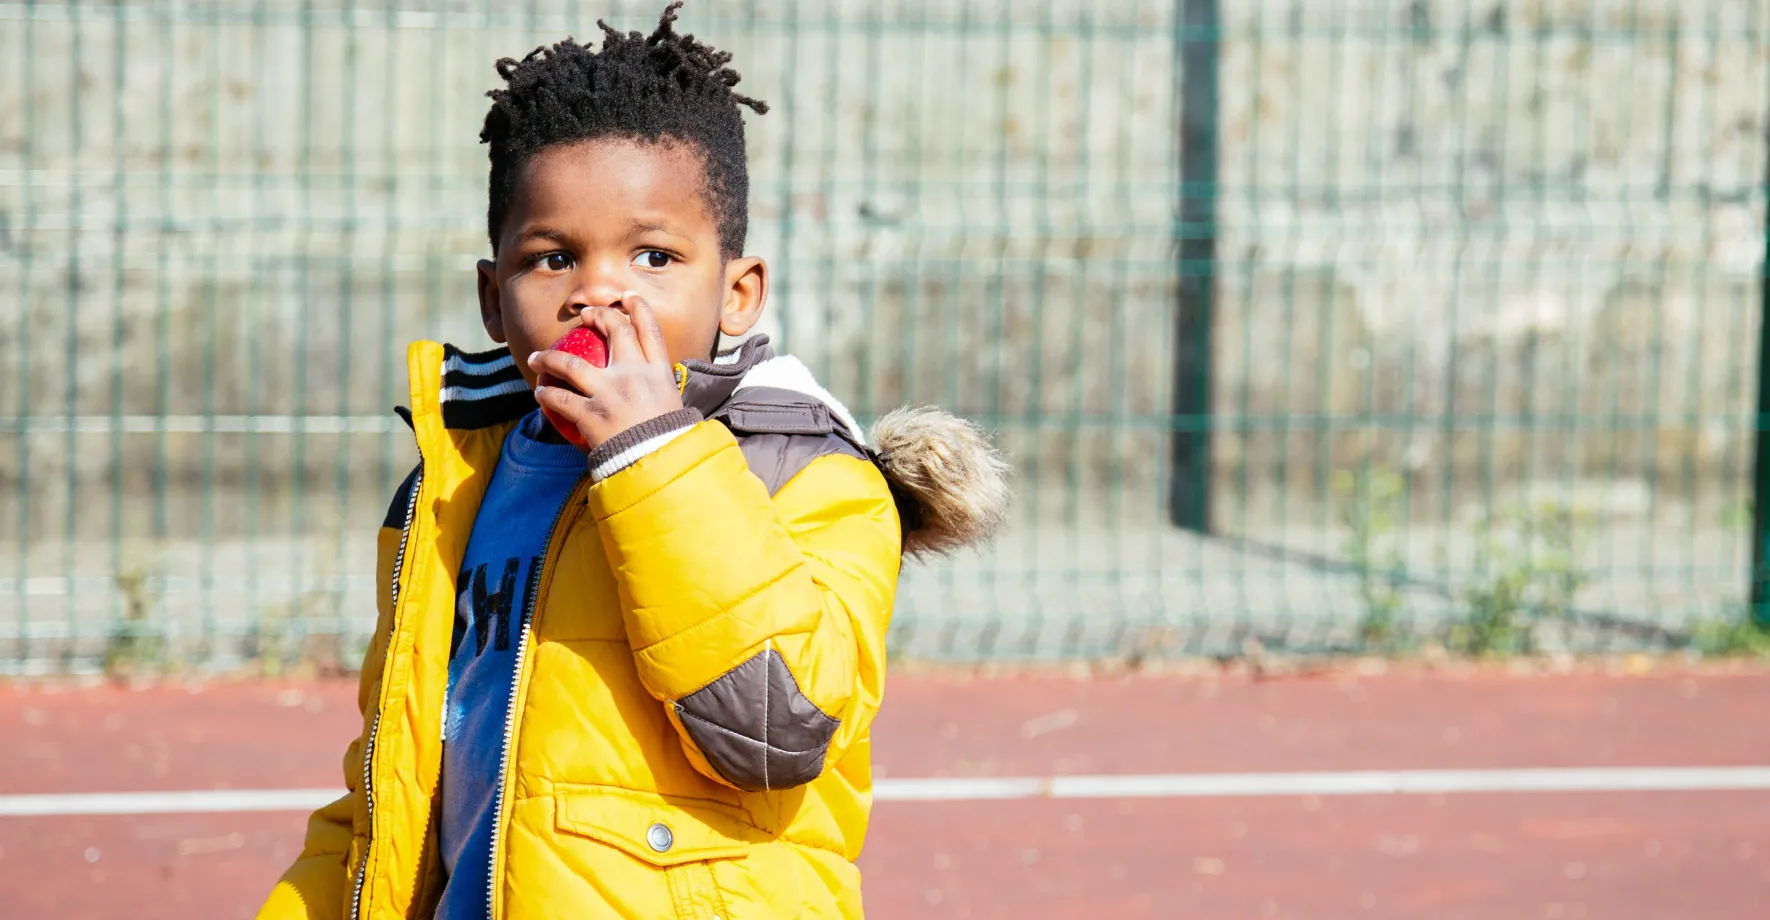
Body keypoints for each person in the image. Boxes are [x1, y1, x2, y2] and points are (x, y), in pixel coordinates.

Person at [255, 4, 1009, 919]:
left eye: (654, 255)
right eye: (551, 258)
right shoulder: (455, 484)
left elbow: (776, 730)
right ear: (494, 300)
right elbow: (392, 787)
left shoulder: (812, 478)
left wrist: (648, 455)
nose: (599, 291)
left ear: (737, 293)